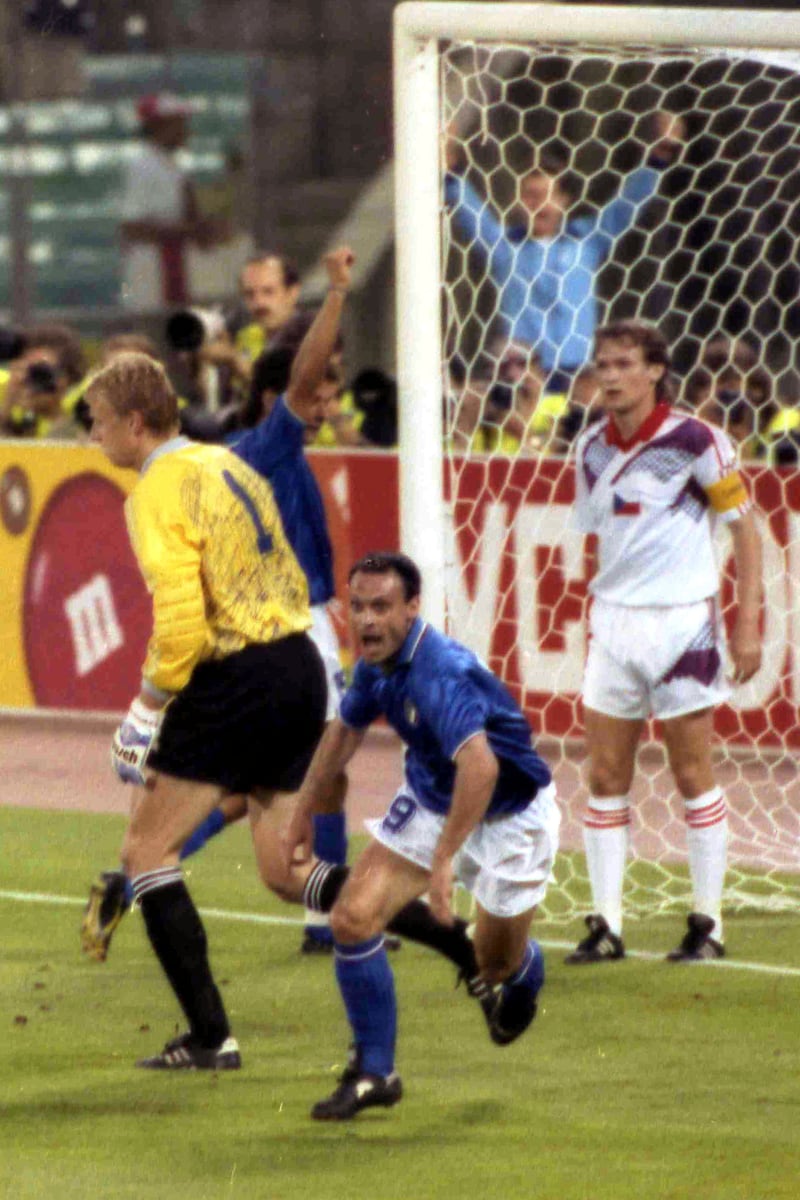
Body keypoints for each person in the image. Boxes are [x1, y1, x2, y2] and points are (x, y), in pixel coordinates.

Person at [84, 348, 327, 1069]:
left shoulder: (157, 491)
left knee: (145, 853)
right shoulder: (226, 464)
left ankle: (211, 1036)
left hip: (238, 673)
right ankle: (428, 921)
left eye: (97, 423)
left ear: (134, 423)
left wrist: (145, 709)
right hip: (298, 662)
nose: (92, 439)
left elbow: (184, 620)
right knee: (284, 873)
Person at [283, 551, 560, 1121]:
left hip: (511, 814)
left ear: (413, 609)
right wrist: (302, 809)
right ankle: (375, 1073)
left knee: (493, 965)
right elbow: (343, 734)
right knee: (353, 917)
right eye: (358, 607)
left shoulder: (440, 671)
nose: (366, 621)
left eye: (381, 607)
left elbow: (481, 768)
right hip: (435, 799)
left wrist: (442, 862)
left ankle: (525, 968)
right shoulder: (374, 666)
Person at [564, 319, 763, 966]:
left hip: (682, 624)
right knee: (605, 774)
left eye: (624, 364)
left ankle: (708, 924)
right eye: (603, 365)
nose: (611, 376)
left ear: (654, 371)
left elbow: (746, 529)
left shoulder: (698, 440)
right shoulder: (589, 448)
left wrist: (747, 620)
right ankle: (606, 925)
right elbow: (602, 532)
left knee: (690, 771)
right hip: (613, 624)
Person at [444, 112, 684, 386]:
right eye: (531, 196)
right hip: (524, 378)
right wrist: (450, 164)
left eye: (547, 195)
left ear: (563, 199)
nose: (539, 205)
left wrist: (658, 158)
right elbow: (469, 211)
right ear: (518, 200)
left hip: (579, 377)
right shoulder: (503, 247)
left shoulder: (587, 240)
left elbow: (628, 204)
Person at [120, 93, 226, 311]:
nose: (185, 130)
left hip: (174, 263)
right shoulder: (141, 165)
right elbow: (132, 227)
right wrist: (190, 230)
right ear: (159, 126)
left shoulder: (171, 164)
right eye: (178, 123)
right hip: (152, 269)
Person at [0, 322, 87, 439]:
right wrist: (6, 409)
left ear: (67, 378)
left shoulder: (78, 430)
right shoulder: (11, 413)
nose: (27, 378)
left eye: (39, 371)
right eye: (23, 368)